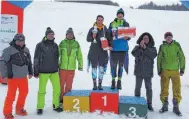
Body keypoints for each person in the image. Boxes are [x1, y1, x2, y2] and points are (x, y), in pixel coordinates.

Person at [0, 34, 33, 119]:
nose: (20, 43)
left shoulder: (26, 50)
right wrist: (4, 75)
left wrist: (30, 72)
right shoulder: (8, 50)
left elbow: (29, 62)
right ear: (15, 41)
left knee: (24, 93)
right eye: (18, 41)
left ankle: (19, 109)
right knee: (11, 95)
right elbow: (2, 62)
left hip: (23, 77)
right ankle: (7, 113)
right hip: (12, 78)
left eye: (22, 41)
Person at [34, 27, 62, 115]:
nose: (51, 35)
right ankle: (40, 107)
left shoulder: (55, 45)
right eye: (50, 34)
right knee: (42, 90)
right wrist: (36, 70)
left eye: (53, 34)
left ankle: (56, 105)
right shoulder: (40, 45)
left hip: (54, 71)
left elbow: (57, 57)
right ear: (46, 35)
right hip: (43, 71)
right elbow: (36, 58)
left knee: (57, 89)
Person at [157, 32, 185, 116]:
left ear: (172, 38)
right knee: (164, 88)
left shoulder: (176, 45)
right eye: (167, 37)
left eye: (170, 37)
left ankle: (176, 107)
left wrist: (182, 69)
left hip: (175, 71)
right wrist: (159, 70)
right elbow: (159, 58)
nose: (168, 38)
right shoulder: (162, 46)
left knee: (177, 88)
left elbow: (181, 57)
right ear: (165, 38)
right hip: (165, 71)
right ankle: (164, 105)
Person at [131, 32, 157, 111]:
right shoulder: (137, 47)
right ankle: (137, 102)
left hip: (148, 72)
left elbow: (153, 55)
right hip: (139, 71)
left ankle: (149, 104)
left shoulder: (153, 48)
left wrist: (145, 48)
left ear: (149, 40)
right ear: (141, 39)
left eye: (147, 38)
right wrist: (140, 48)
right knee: (137, 87)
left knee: (148, 88)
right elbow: (134, 54)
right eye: (144, 38)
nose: (146, 39)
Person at [87, 15, 111, 90]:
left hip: (103, 52)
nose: (100, 21)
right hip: (93, 52)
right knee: (94, 68)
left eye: (101, 20)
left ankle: (100, 84)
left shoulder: (105, 29)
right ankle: (94, 84)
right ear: (96, 20)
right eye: (99, 20)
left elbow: (109, 39)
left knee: (101, 69)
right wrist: (93, 37)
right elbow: (88, 39)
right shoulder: (92, 29)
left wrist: (110, 45)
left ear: (103, 21)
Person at [59, 28, 83, 102]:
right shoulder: (62, 43)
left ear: (73, 35)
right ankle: (60, 99)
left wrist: (80, 65)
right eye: (68, 34)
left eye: (71, 34)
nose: (70, 35)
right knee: (61, 84)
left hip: (71, 69)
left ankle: (67, 100)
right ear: (66, 35)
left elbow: (79, 55)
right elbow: (57, 54)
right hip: (62, 68)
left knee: (69, 85)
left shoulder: (76, 44)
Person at [109, 8, 131, 90]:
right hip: (114, 48)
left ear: (123, 15)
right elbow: (108, 34)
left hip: (123, 49)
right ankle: (113, 81)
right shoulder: (112, 24)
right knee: (113, 66)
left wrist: (127, 37)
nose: (120, 15)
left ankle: (119, 82)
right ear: (117, 15)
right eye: (119, 14)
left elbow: (130, 35)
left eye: (121, 14)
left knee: (121, 66)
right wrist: (108, 43)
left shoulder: (126, 23)